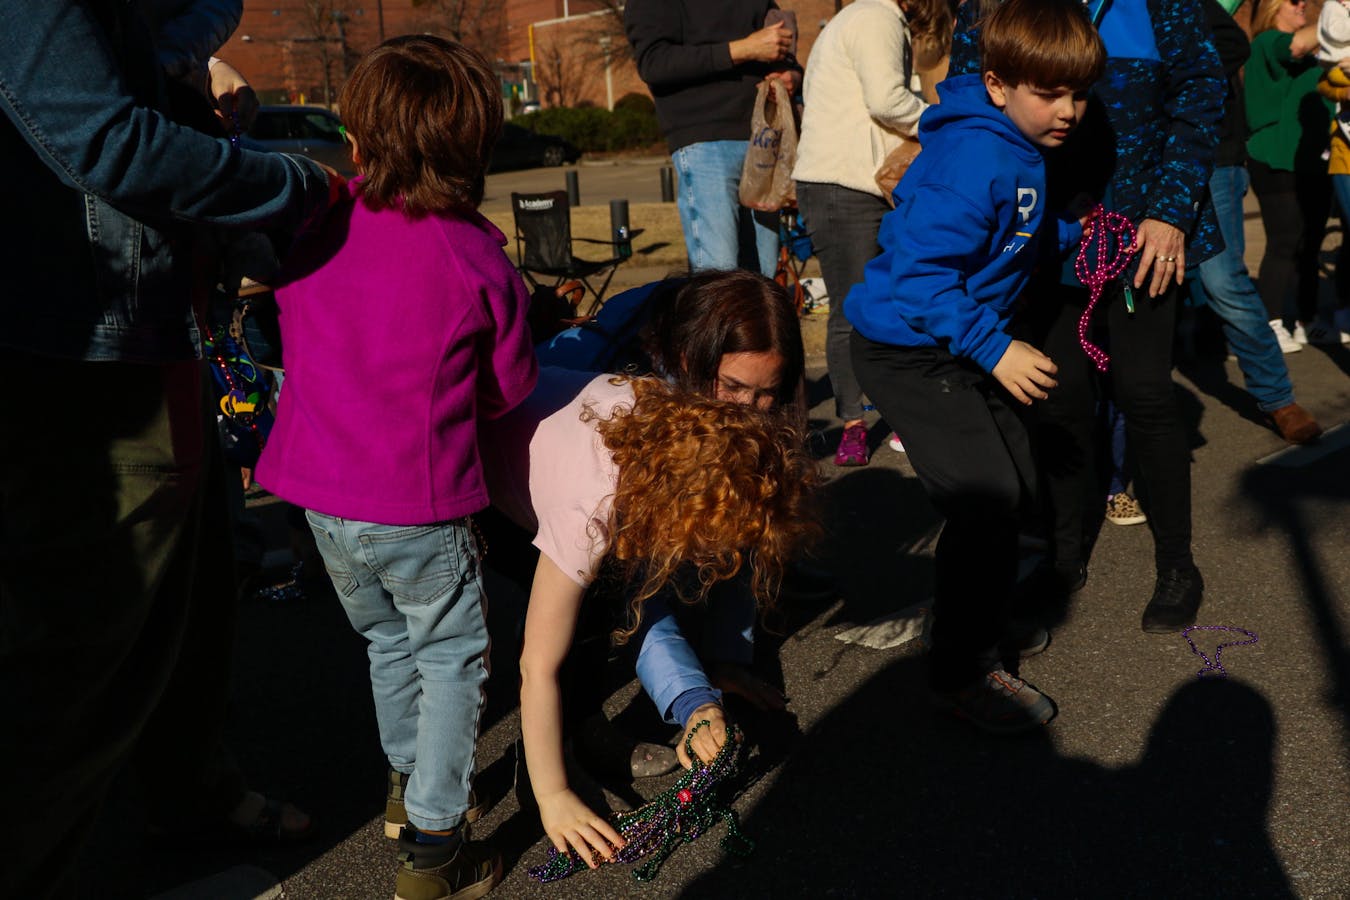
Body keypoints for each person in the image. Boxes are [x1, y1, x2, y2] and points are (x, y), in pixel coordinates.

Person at [0, 2, 339, 895]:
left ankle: (187, 793)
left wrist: (183, 63)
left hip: (150, 324)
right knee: (80, 657)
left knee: (186, 603)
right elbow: (108, 141)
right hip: (84, 352)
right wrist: (301, 184)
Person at [253, 36, 537, 900]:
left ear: (357, 134)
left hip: (318, 497)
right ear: (474, 147)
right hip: (416, 500)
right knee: (451, 657)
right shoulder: (473, 254)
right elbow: (507, 389)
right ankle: (437, 842)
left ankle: (406, 783)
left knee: (387, 642)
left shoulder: (319, 223)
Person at [847, 0, 1104, 733]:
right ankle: (961, 672)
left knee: (1014, 482)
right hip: (910, 349)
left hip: (953, 343)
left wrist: (1073, 233)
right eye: (1049, 93)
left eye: (1078, 94)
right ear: (996, 85)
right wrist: (995, 349)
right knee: (988, 501)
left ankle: (975, 616)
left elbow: (1010, 229)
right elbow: (921, 279)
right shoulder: (974, 156)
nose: (1068, 111)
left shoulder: (1018, 143)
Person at [952, 0, 1225, 634]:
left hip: (1143, 233)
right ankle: (1061, 557)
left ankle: (1177, 564)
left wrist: (1170, 209)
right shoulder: (988, 6)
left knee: (1146, 393)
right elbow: (970, 98)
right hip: (1039, 232)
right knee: (1061, 395)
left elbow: (1203, 91)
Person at [485, 364, 818, 864]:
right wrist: (554, 796)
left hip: (533, 444)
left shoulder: (681, 432)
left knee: (604, 598)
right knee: (561, 623)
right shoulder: (589, 514)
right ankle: (540, 777)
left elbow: (640, 594)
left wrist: (696, 703)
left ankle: (581, 729)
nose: (710, 561)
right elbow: (537, 666)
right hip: (478, 480)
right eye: (708, 547)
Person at [793, 0, 950, 467]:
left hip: (856, 185)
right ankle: (853, 423)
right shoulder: (875, 17)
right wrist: (946, 122)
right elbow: (887, 101)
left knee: (879, 302)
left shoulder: (868, 17)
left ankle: (890, 412)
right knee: (852, 308)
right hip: (844, 186)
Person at [1191, 0, 1323, 445]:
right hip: (1145, 158)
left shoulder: (1195, 11)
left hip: (1212, 155)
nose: (1300, 6)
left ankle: (1276, 397)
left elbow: (1233, 45)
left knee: (1223, 279)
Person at [624, 0, 801, 275]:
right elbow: (654, 63)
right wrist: (744, 49)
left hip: (763, 142)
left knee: (762, 280)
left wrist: (792, 76)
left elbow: (781, 46)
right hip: (705, 141)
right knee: (720, 278)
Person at [1246, 0, 1350, 346]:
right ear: (1272, 8)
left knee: (1311, 242)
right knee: (1284, 240)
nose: (1302, 4)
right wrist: (1336, 17)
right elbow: (1297, 45)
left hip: (1313, 162)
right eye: (1293, 1)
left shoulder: (1314, 55)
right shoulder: (1268, 42)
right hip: (1275, 159)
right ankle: (1271, 322)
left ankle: (1308, 318)